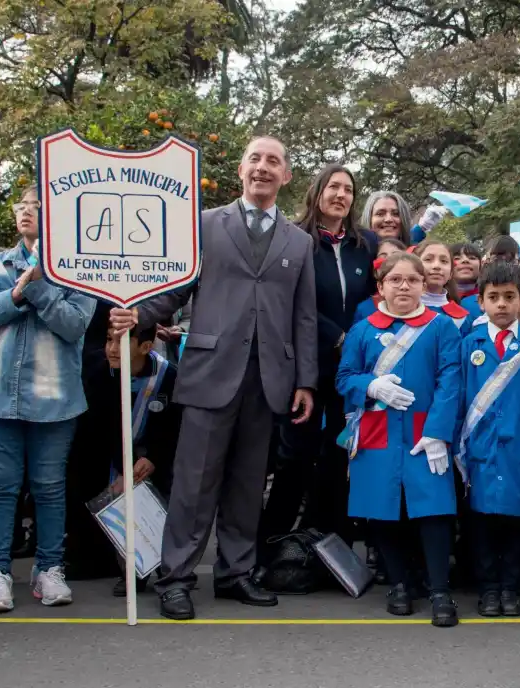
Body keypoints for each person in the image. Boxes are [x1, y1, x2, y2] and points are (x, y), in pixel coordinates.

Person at [109, 135, 318, 621]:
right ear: (241, 170)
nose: (263, 168)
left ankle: (234, 573)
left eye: (274, 162)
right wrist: (135, 315)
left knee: (248, 482)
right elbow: (174, 289)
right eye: (256, 159)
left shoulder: (299, 242)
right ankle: (176, 576)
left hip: (270, 379)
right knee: (194, 482)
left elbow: (303, 317)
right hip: (209, 372)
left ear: (286, 176)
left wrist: (305, 380)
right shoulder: (203, 225)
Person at [0, 186, 98, 613]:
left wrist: (38, 289)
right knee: (0, 488)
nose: (25, 212)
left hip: (55, 401)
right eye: (21, 206)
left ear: (55, 216)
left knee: (49, 487)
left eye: (35, 207)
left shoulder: (79, 267)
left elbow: (75, 324)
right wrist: (16, 295)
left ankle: (49, 569)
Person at [335, 252, 462, 627]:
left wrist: (439, 432)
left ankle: (440, 590)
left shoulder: (441, 328)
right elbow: (344, 378)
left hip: (426, 433)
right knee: (384, 509)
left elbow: (450, 380)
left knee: (434, 511)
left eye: (411, 280)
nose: (404, 286)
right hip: (377, 429)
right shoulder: (362, 330)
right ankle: (400, 585)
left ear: (424, 285)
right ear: (381, 287)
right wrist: (370, 385)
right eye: (395, 280)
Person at [259, 163, 377, 561]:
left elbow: (376, 298)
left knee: (340, 457)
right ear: (317, 192)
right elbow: (292, 299)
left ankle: (331, 550)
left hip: (351, 370)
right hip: (305, 368)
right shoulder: (295, 239)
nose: (341, 195)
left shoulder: (366, 244)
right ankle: (268, 548)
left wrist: (358, 340)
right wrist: (337, 336)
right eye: (334, 187)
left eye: (348, 189)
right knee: (293, 460)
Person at [457, 262, 520, 617]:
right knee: (481, 525)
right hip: (480, 450)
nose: (502, 305)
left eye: (510, 297)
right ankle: (489, 588)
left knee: (519, 525)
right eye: (493, 297)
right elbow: (460, 397)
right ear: (480, 301)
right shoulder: (469, 345)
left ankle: (511, 586)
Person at [64, 325, 181, 595]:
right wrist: (122, 465)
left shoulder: (168, 376)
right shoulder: (98, 371)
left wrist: (153, 457)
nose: (112, 349)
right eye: (108, 340)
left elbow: (174, 426)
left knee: (164, 492)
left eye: (121, 343)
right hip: (109, 452)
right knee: (86, 482)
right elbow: (98, 426)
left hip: (151, 456)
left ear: (145, 347)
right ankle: (108, 558)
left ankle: (155, 561)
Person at [414, 240, 475, 331]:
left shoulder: (462, 318)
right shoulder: (399, 307)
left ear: (451, 273)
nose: (437, 266)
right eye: (428, 259)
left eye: (444, 261)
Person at [358, 191, 447, 246]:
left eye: (396, 214)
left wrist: (423, 227)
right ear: (369, 218)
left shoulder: (415, 255)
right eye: (380, 214)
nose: (388, 219)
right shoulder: (356, 255)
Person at [353, 238, 408, 325]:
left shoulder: (422, 303)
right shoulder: (364, 309)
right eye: (383, 256)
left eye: (396, 256)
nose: (389, 260)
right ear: (375, 272)